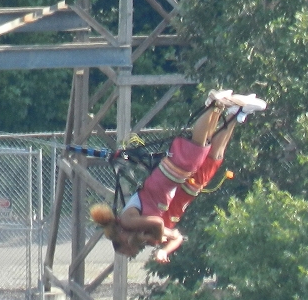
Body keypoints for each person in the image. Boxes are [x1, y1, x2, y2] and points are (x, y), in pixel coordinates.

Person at [89, 90, 265, 262]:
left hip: (161, 185)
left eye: (130, 252)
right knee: (211, 159)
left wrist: (156, 238)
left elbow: (158, 223)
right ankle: (234, 113)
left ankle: (214, 104)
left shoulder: (127, 222)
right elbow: (177, 237)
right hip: (175, 193)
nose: (135, 252)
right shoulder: (148, 237)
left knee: (194, 154)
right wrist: (163, 251)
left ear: (123, 239)